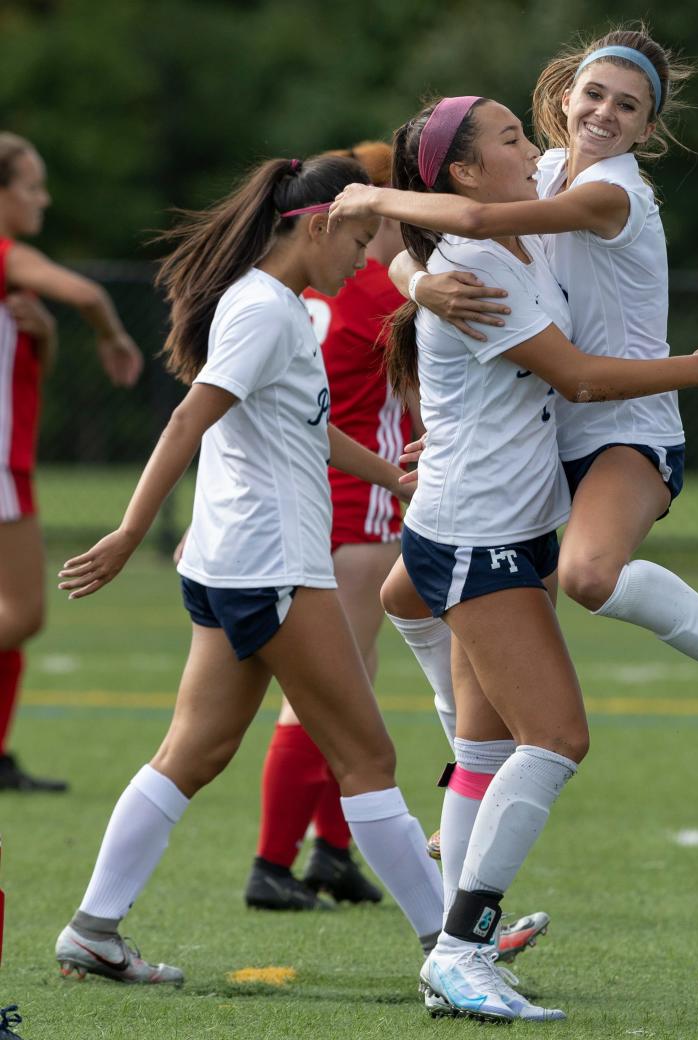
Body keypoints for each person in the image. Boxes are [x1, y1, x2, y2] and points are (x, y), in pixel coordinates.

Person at [330, 94, 698, 1022]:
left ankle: (455, 943)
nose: (537, 145)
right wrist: (695, 368)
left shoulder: (515, 233)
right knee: (555, 738)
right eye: (513, 137)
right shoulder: (484, 256)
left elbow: (432, 230)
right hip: (479, 534)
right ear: (471, 172)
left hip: (473, 527)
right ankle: (463, 948)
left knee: (481, 746)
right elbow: (579, 376)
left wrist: (407, 270)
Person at [332, 24, 698, 769]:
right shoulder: (541, 167)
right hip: (550, 425)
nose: (605, 113)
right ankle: (470, 775)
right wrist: (422, 285)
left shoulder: (611, 193)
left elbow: (475, 220)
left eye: (629, 105)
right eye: (594, 93)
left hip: (626, 425)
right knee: (406, 594)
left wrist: (371, 191)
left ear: (648, 129)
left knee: (589, 576)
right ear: (566, 96)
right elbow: (417, 257)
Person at [53, 153, 445, 986]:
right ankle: (452, 948)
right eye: (362, 237)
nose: (365, 256)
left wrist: (391, 475)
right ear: (318, 225)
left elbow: (301, 425)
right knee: (368, 758)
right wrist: (128, 532)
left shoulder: (277, 309)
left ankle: (92, 930)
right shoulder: (266, 311)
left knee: (192, 751)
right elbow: (190, 418)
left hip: (235, 561)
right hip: (269, 564)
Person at [244, 141, 414, 912]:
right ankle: (272, 864)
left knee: (355, 681)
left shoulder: (294, 285)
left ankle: (331, 851)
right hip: (354, 502)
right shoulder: (375, 289)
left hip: (304, 494)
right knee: (323, 696)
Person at [0, 131, 143, 793]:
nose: (44, 198)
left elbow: (29, 373)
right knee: (23, 614)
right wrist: (113, 337)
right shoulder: (7, 256)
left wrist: (47, 335)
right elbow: (86, 292)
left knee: (13, 624)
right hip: (3, 467)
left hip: (12, 458)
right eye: (31, 186)